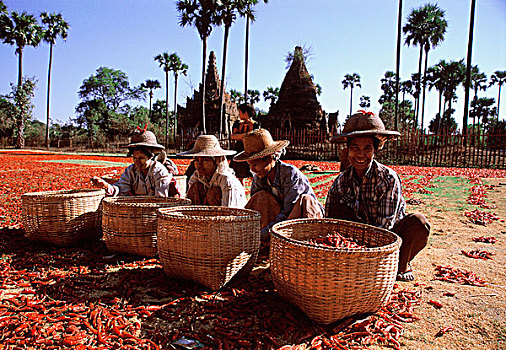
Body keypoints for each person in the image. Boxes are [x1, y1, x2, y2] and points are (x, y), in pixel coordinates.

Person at [324, 111, 430, 281]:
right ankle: (353, 262)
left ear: (375, 150)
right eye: (355, 148)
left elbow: (384, 228)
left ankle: (400, 265)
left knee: (418, 223)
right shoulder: (340, 182)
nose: (360, 154)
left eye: (367, 148)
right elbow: (328, 219)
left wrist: (365, 250)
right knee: (337, 208)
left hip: (389, 238)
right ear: (348, 150)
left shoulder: (388, 179)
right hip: (354, 239)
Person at [233, 128, 324, 240]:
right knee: (261, 197)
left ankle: (291, 242)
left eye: (255, 165)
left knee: (306, 199)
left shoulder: (290, 174)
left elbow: (288, 212)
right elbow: (256, 210)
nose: (253, 170)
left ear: (270, 158)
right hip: (277, 221)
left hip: (299, 218)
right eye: (250, 165)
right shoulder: (258, 178)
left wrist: (264, 234)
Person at [91, 127, 173, 197]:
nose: (137, 162)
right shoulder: (130, 171)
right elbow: (121, 188)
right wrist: (106, 186)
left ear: (150, 157)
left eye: (141, 158)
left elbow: (161, 198)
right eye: (134, 158)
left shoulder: (159, 171)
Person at [178, 135, 247, 208]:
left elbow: (230, 211)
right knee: (196, 187)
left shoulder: (227, 181)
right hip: (206, 216)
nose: (199, 164)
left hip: (230, 216)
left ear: (216, 162)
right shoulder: (197, 176)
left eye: (205, 160)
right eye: (197, 160)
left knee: (213, 193)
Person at [229, 103, 260, 184]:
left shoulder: (256, 124)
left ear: (245, 113)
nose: (239, 114)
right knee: (239, 174)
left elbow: (255, 137)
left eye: (240, 112)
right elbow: (233, 136)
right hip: (239, 149)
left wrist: (241, 136)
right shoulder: (237, 123)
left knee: (253, 172)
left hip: (251, 150)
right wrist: (246, 135)